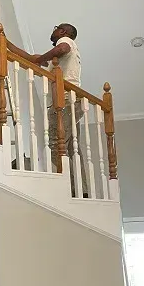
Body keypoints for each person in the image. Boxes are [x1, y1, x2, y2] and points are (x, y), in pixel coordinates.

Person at [10, 23, 88, 196]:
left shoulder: (66, 41)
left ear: (63, 31)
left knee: (55, 145)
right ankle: (81, 190)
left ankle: (70, 188)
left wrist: (40, 59)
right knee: (72, 149)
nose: (53, 31)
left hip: (65, 102)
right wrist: (7, 44)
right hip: (73, 102)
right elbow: (31, 58)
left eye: (56, 28)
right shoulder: (56, 63)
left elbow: (62, 48)